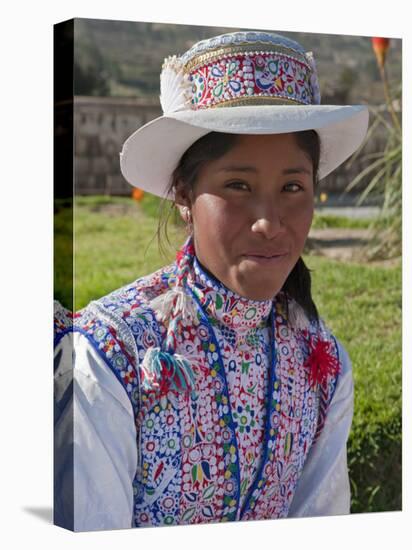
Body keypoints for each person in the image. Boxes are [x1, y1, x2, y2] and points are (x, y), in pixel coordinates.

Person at [54, 29, 369, 531]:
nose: (269, 221)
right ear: (184, 193)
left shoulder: (322, 365)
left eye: (293, 186)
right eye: (237, 186)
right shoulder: (111, 356)